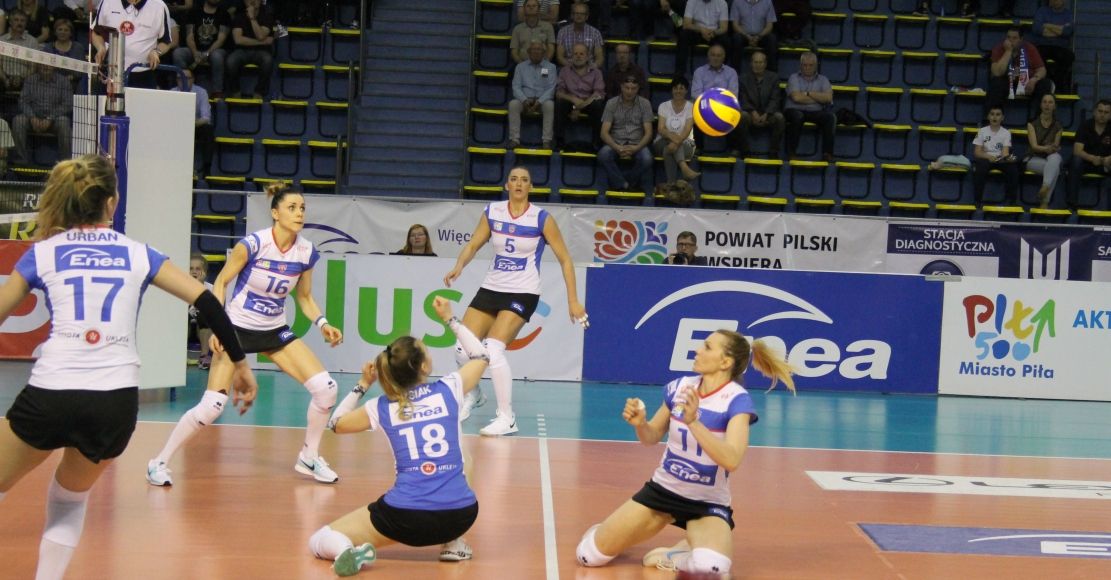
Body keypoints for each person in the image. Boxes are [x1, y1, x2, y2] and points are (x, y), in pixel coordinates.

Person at [0, 154, 259, 580]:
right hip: (114, 402)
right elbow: (207, 301)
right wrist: (240, 362)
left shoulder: (43, 253)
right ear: (112, 202)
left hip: (51, 394)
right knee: (68, 499)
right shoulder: (138, 253)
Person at [147, 183, 346, 486]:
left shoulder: (306, 252)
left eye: (302, 208)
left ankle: (309, 456)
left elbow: (304, 297)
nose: (299, 213)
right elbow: (221, 282)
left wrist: (322, 323)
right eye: (292, 208)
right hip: (236, 329)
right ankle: (158, 463)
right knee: (212, 407)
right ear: (275, 213)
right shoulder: (253, 244)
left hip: (274, 331)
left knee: (326, 389)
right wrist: (218, 327)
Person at [575, 329, 795, 576]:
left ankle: (676, 556)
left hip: (707, 503)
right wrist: (641, 424)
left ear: (725, 362)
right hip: (662, 492)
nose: (698, 350)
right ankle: (604, 532)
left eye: (707, 347)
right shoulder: (680, 387)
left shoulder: (736, 401)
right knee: (587, 556)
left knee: (712, 568)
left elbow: (732, 460)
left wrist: (693, 422)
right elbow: (651, 437)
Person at [309, 297, 487, 576]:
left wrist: (363, 384)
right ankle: (453, 542)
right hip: (462, 514)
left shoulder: (382, 407)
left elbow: (336, 423)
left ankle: (347, 552)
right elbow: (481, 356)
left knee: (320, 539)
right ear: (423, 367)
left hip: (404, 518)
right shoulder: (449, 389)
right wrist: (450, 319)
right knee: (464, 456)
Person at [443, 166, 588, 436]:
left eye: (524, 180)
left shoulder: (541, 219)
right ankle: (474, 393)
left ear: (530, 187)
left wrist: (573, 301)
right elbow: (473, 244)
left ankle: (506, 418)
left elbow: (566, 260)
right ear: (507, 185)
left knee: (493, 349)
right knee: (462, 349)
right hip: (491, 287)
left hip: (523, 291)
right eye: (513, 179)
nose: (519, 183)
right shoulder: (492, 212)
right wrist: (459, 266)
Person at [93, 0, 173, 89]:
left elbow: (166, 41)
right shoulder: (107, 2)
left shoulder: (159, 6)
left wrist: (156, 52)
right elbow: (96, 32)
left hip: (143, 73)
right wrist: (101, 48)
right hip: (109, 71)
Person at [599, 75, 655, 193]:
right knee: (603, 154)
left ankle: (624, 183)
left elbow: (649, 133)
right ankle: (626, 185)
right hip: (616, 141)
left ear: (638, 88)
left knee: (647, 159)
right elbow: (604, 133)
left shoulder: (645, 104)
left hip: (637, 143)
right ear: (621, 87)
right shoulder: (611, 103)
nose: (629, 92)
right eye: (627, 88)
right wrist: (617, 147)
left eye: (633, 88)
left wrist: (636, 148)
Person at [12, 63, 74, 166]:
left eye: (48, 64)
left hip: (55, 119)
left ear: (54, 65)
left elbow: (68, 104)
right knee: (18, 121)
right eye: (42, 64)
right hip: (33, 117)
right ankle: (21, 161)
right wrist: (32, 117)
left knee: (64, 122)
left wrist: (50, 118)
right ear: (37, 65)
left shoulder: (64, 81)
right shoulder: (30, 80)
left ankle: (65, 164)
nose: (46, 66)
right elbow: (23, 101)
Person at [986, 26, 1052, 118]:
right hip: (1007, 82)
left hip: (1027, 82)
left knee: (1045, 84)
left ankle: (1040, 120)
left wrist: (1034, 80)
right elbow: (997, 73)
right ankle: (993, 119)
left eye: (1014, 38)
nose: (1010, 41)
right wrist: (1008, 52)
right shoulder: (999, 48)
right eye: (1008, 37)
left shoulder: (1030, 48)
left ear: (1021, 40)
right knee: (996, 83)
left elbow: (1042, 70)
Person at [784, 51, 835, 162]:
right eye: (805, 65)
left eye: (810, 65)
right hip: (794, 110)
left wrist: (807, 93)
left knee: (830, 117)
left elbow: (828, 98)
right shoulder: (793, 78)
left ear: (816, 66)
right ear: (800, 65)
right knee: (798, 116)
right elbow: (796, 98)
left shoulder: (823, 80)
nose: (807, 68)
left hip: (815, 112)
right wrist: (818, 99)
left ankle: (827, 154)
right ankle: (791, 153)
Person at [173, 0, 231, 97]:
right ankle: (183, 86)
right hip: (195, 49)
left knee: (217, 56)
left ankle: (217, 91)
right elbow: (189, 36)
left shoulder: (224, 14)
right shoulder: (194, 12)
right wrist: (195, 52)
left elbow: (221, 40)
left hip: (215, 50)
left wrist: (207, 53)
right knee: (178, 53)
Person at [555, 42, 606, 149]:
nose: (578, 56)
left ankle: (597, 143)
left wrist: (580, 106)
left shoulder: (596, 72)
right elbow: (559, 92)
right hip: (570, 101)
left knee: (598, 105)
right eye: (575, 54)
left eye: (581, 54)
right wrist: (573, 100)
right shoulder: (564, 71)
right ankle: (559, 142)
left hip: (588, 102)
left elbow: (599, 93)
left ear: (587, 56)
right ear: (571, 56)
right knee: (560, 103)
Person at [509, 40, 557, 150]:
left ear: (544, 52)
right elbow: (516, 86)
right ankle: (514, 139)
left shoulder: (551, 67)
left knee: (550, 105)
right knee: (513, 104)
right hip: (524, 99)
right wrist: (524, 100)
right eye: (533, 49)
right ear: (528, 52)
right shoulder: (520, 67)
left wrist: (539, 102)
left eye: (539, 49)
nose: (536, 52)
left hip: (542, 100)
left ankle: (546, 141)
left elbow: (551, 88)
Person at [737, 49, 785, 159]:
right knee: (741, 116)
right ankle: (745, 152)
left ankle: (773, 152)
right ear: (751, 63)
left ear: (765, 64)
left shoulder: (774, 78)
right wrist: (753, 112)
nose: (757, 65)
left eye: (760, 62)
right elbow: (743, 98)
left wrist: (767, 114)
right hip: (750, 113)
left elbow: (775, 99)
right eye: (755, 62)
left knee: (779, 118)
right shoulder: (743, 78)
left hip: (768, 114)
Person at [690, 43, 738, 151]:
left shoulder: (731, 72)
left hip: (724, 107)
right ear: (708, 56)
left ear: (724, 57)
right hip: (703, 105)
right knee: (693, 109)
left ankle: (732, 149)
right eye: (713, 55)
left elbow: (733, 95)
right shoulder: (699, 72)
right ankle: (698, 148)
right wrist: (711, 104)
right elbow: (695, 94)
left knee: (735, 112)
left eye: (719, 55)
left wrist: (717, 105)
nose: (715, 58)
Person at [653, 76, 700, 184]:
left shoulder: (691, 107)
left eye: (681, 88)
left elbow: (687, 130)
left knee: (669, 149)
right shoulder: (663, 106)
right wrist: (674, 139)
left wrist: (676, 141)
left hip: (686, 144)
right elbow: (661, 129)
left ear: (686, 91)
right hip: (662, 141)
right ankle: (684, 168)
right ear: (672, 90)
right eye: (675, 88)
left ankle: (671, 184)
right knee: (670, 145)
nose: (678, 91)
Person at [226, 0, 276, 100]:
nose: (253, 1)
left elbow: (260, 35)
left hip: (261, 52)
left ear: (261, 1)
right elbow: (238, 40)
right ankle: (235, 91)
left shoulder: (267, 17)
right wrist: (262, 42)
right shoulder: (239, 17)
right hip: (241, 51)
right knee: (231, 60)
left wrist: (252, 18)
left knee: (268, 60)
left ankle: (259, 92)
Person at [1066, 99, 1111, 208]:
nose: (1102, 115)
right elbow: (1077, 150)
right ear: (1094, 112)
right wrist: (1093, 159)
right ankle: (1072, 203)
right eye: (1100, 111)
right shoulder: (1085, 126)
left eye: (1106, 112)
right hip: (1086, 162)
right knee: (1076, 161)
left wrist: (1108, 159)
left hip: (1105, 163)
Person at [972, 105, 1020, 205]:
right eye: (992, 114)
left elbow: (1005, 153)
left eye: (998, 114)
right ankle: (977, 201)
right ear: (988, 116)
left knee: (1013, 169)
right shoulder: (982, 131)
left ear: (1002, 118)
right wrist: (989, 157)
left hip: (1000, 159)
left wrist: (1007, 158)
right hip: (985, 158)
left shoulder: (1006, 133)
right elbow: (977, 152)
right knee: (980, 169)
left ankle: (1011, 201)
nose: (994, 117)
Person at [171, 68, 215, 178]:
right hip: (177, 127)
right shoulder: (171, 92)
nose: (183, 81)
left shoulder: (201, 92)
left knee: (208, 131)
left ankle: (207, 169)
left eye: (187, 78)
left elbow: (206, 118)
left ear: (193, 79)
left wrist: (190, 124)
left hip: (196, 125)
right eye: (180, 78)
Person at [1024, 93, 1063, 209]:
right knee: (1055, 169)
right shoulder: (1032, 123)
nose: (1047, 105)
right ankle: (1045, 201)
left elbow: (1055, 146)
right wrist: (1048, 148)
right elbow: (1034, 146)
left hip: (1049, 158)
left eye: (1050, 102)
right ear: (1041, 105)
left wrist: (1054, 148)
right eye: (1044, 102)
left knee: (1056, 157)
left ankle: (1045, 187)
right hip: (1032, 158)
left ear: (1054, 106)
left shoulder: (1058, 125)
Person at [1030, 0, 1075, 95]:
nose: (1055, 1)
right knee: (1037, 55)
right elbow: (1037, 29)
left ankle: (1058, 83)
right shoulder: (1042, 11)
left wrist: (1047, 25)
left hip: (1060, 47)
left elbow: (1067, 32)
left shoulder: (1068, 14)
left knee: (1069, 57)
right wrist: (1059, 30)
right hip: (1042, 45)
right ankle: (1046, 82)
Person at [675, 0, 729, 76]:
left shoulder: (722, 2)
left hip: (714, 33)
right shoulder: (691, 1)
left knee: (726, 40)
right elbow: (686, 24)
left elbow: (724, 28)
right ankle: (679, 74)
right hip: (697, 32)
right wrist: (701, 30)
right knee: (683, 35)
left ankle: (722, 74)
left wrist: (713, 33)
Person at [729, 0, 777, 73]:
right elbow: (735, 25)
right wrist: (747, 36)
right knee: (736, 38)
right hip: (743, 35)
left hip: (761, 35)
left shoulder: (767, 2)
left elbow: (769, 26)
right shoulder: (737, 2)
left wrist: (758, 36)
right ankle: (734, 74)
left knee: (772, 39)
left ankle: (771, 74)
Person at [0, 10, 41, 93]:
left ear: (26, 23)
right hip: (3, 78)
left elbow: (33, 67)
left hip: (25, 79)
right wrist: (5, 79)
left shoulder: (32, 41)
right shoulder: (2, 40)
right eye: (16, 20)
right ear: (10, 22)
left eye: (22, 21)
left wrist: (21, 78)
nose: (19, 23)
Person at [556, 1, 605, 68]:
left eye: (582, 14)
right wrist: (572, 68)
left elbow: (599, 58)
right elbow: (560, 57)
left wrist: (591, 68)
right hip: (569, 68)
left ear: (587, 16)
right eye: (576, 13)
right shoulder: (562, 32)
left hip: (589, 69)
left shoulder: (595, 33)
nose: (579, 16)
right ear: (572, 15)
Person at [188, 253, 215, 369]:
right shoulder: (180, 285)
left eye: (198, 269)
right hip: (187, 321)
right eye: (191, 268)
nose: (194, 272)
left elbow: (211, 310)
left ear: (205, 272)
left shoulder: (211, 288)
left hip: (202, 323)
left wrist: (199, 286)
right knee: (181, 319)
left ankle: (204, 356)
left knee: (205, 318)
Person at [510, 0, 556, 65]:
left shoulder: (548, 27)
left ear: (539, 9)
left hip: (544, 64)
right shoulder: (517, 29)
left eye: (534, 6)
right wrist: (522, 65)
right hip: (522, 65)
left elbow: (551, 48)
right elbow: (514, 51)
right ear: (524, 9)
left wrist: (546, 63)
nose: (531, 7)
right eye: (528, 6)